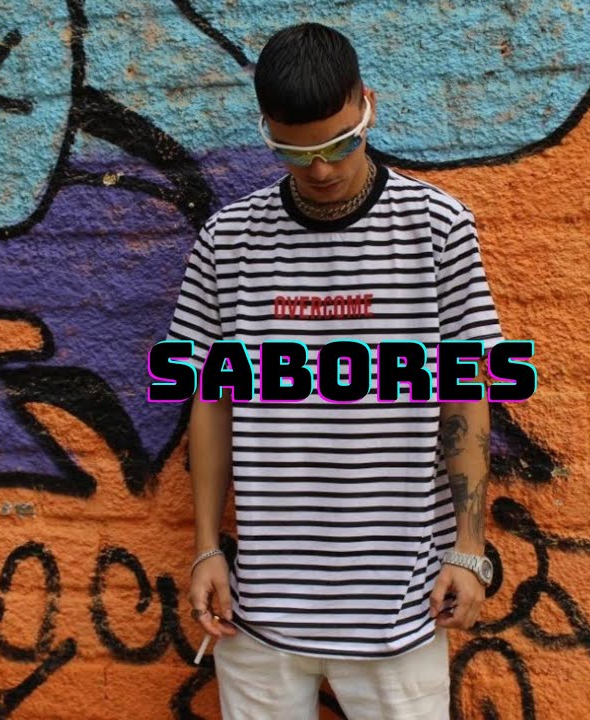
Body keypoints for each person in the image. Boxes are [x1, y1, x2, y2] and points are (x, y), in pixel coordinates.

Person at [165, 22, 504, 719]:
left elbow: (465, 392)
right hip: (258, 609)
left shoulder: (437, 228)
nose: (321, 169)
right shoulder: (229, 241)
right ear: (266, 129)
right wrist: (205, 548)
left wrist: (468, 550)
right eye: (295, 151)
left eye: (340, 143)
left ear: (367, 105)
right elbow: (210, 400)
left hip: (401, 607)